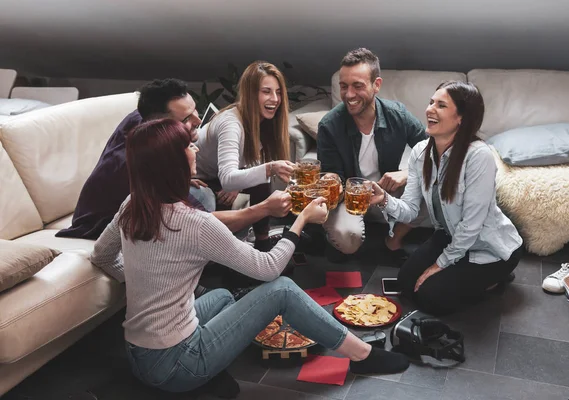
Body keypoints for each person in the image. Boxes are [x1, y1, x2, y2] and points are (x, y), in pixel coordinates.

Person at [90, 119, 410, 398]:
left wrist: (147, 287)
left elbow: (102, 256)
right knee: (281, 290)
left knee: (221, 297)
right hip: (177, 365)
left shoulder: (132, 205)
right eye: (189, 146)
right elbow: (268, 269)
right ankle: (361, 354)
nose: (197, 150)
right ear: (170, 162)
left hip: (137, 354)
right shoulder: (194, 223)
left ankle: (206, 372)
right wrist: (301, 221)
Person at [57, 78, 290, 241]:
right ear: (159, 125)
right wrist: (265, 209)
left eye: (195, 111)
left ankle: (258, 241)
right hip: (101, 226)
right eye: (187, 119)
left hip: (144, 201)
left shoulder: (145, 118)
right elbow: (199, 222)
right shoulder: (140, 162)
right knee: (203, 199)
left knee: (218, 188)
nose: (199, 121)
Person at [370, 81, 524, 315]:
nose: (430, 109)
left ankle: (496, 278)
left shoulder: (479, 156)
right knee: (406, 284)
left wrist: (438, 265)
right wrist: (383, 199)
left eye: (441, 105)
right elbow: (411, 211)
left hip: (491, 247)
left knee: (432, 298)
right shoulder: (421, 152)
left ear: (461, 118)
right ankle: (464, 275)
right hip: (450, 235)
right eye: (431, 102)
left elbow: (471, 226)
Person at [316, 48, 428, 261]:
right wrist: (330, 182)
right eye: (344, 86)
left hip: (386, 192)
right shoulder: (329, 126)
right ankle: (328, 234)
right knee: (347, 241)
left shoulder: (397, 114)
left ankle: (393, 242)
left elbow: (433, 149)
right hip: (347, 198)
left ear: (376, 85)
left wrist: (406, 173)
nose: (349, 95)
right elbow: (332, 174)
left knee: (434, 185)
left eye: (357, 86)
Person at [195, 61, 296, 251]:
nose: (275, 99)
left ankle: (262, 241)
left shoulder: (262, 120)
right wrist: (269, 168)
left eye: (278, 92)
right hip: (199, 178)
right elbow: (227, 179)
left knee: (261, 180)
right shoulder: (231, 124)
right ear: (250, 93)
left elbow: (251, 162)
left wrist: (240, 179)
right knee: (263, 174)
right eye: (266, 91)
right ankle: (224, 256)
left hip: (220, 173)